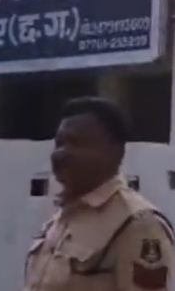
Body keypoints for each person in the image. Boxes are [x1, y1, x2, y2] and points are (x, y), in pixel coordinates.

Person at [24, 96, 174, 291]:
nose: (62, 153)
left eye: (76, 143)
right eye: (59, 143)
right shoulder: (61, 218)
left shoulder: (137, 225)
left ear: (115, 152)